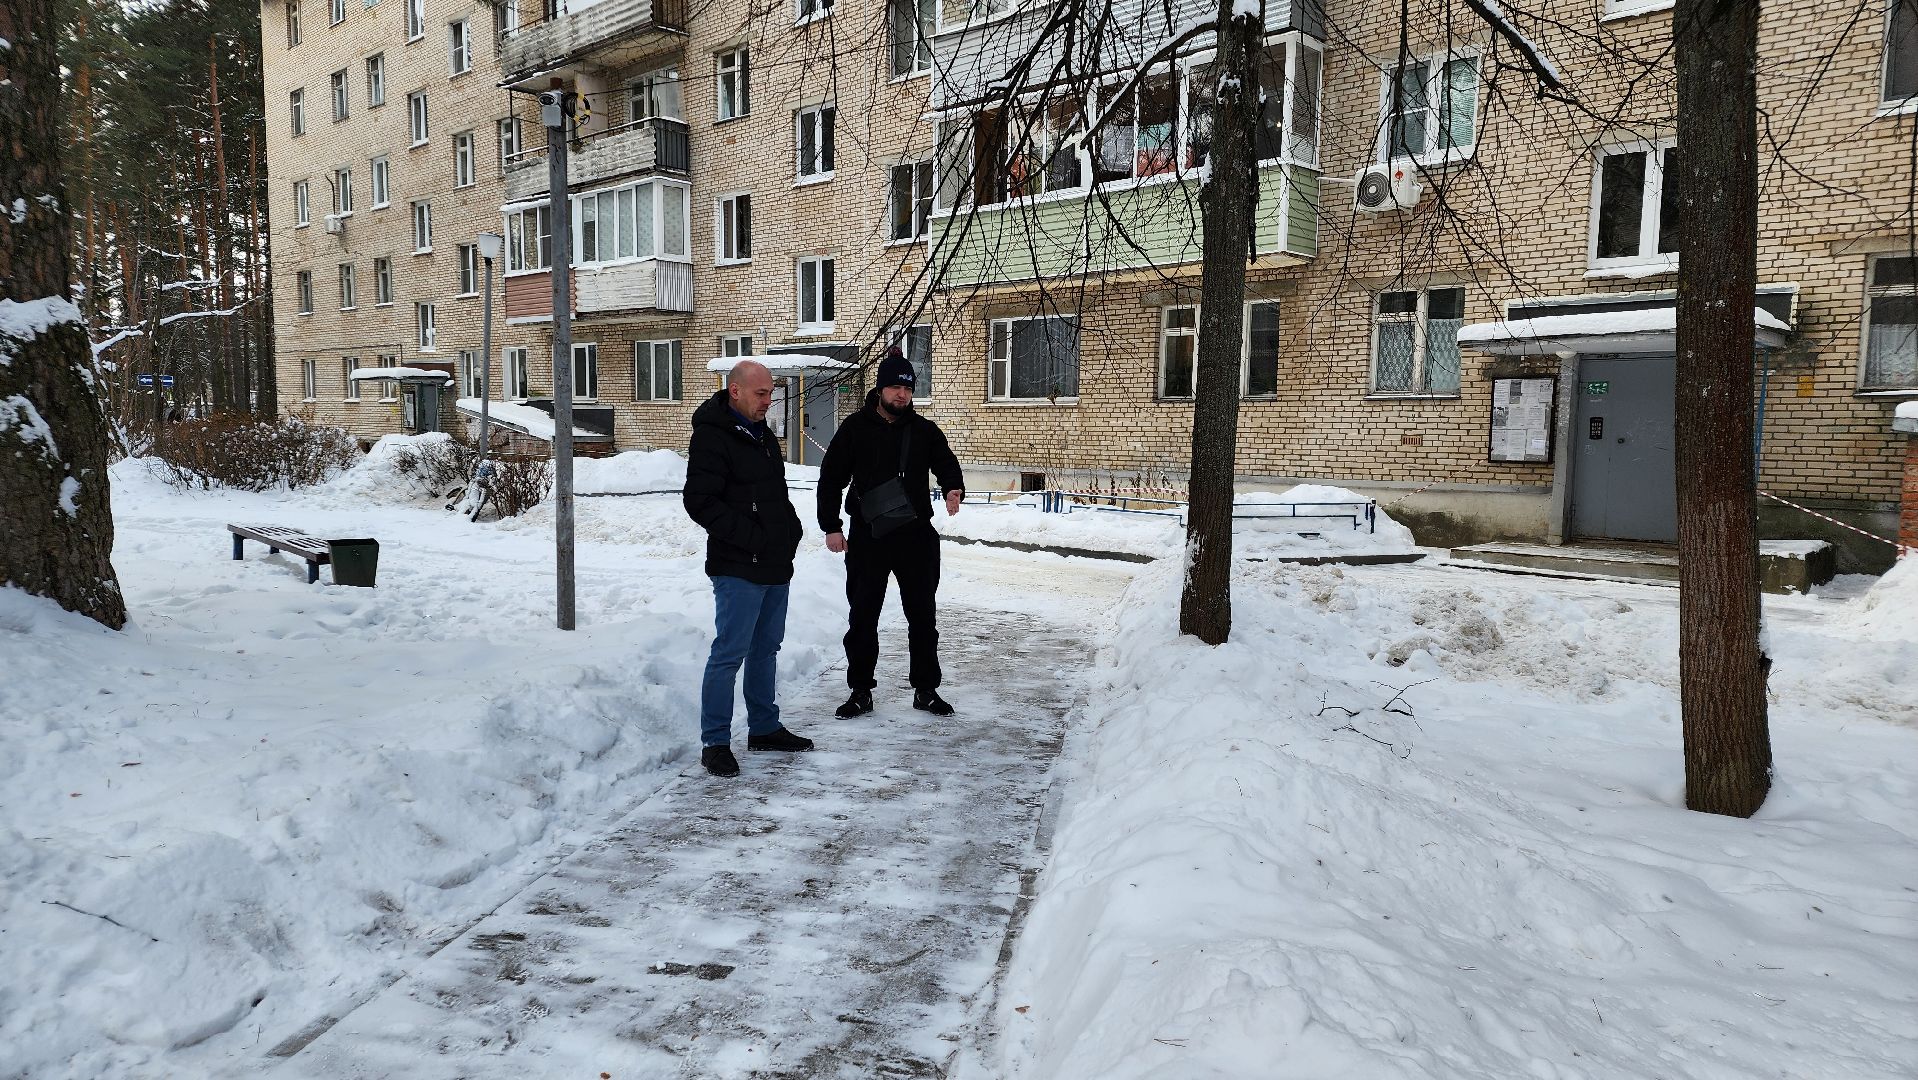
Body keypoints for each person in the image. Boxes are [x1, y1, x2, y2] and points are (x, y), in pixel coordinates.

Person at [817, 346, 966, 718]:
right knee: (863, 617)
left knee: (922, 616)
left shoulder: (923, 430)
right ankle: (860, 691)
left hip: (915, 536)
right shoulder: (854, 429)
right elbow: (831, 479)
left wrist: (952, 486)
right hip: (869, 537)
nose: (903, 394)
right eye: (896, 388)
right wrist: (831, 527)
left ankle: (926, 688)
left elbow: (945, 461)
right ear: (881, 389)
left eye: (909, 389)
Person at [683, 359, 813, 777]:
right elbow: (700, 502)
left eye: (771, 393)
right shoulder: (712, 437)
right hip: (737, 564)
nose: (768, 401)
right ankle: (715, 742)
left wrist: (789, 531)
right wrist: (754, 538)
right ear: (735, 390)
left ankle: (764, 727)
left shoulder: (763, 436)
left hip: (775, 563)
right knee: (729, 653)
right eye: (761, 394)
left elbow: (774, 494)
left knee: (766, 648)